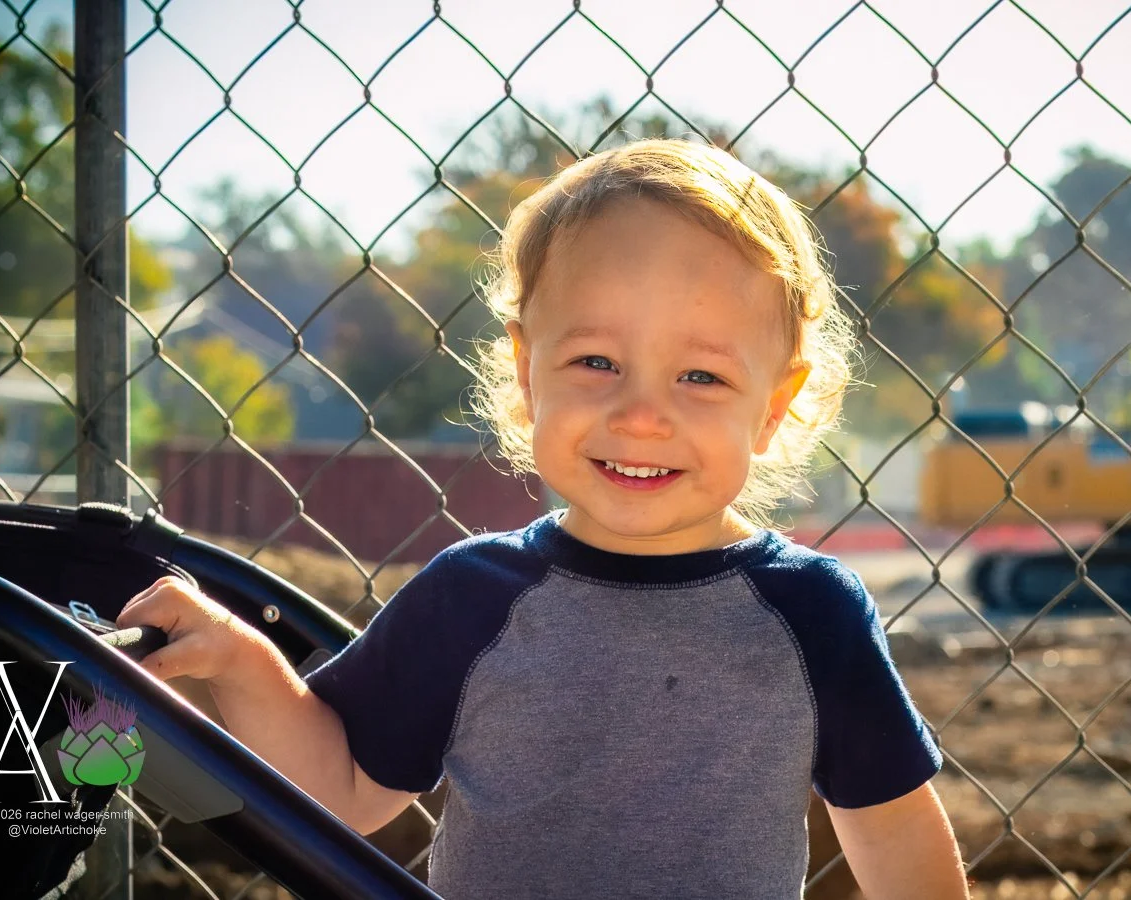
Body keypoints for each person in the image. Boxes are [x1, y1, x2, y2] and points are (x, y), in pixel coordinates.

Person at [119, 138, 968, 899]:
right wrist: (244, 662)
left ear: (774, 405)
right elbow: (343, 789)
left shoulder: (810, 614)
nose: (641, 416)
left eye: (700, 377)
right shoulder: (471, 596)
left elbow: (895, 836)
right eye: (596, 361)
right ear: (529, 372)